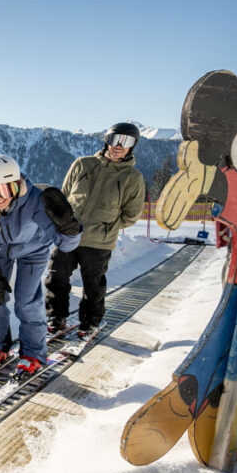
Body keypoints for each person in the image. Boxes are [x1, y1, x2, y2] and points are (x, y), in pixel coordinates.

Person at [0, 154, 82, 380]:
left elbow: (65, 246)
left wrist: (69, 228)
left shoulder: (36, 200)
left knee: (26, 301)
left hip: (33, 249)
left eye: (5, 190)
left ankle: (34, 354)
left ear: (17, 186)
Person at [45, 122, 147, 338]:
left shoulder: (133, 178)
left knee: (93, 285)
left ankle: (90, 322)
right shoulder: (82, 164)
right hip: (69, 234)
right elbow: (64, 196)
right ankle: (56, 318)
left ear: (132, 146)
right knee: (56, 277)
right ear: (106, 140)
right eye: (114, 139)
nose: (118, 145)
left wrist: (107, 227)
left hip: (99, 241)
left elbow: (131, 214)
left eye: (125, 141)